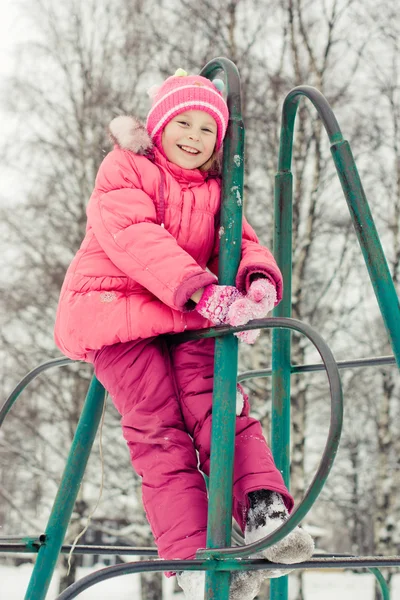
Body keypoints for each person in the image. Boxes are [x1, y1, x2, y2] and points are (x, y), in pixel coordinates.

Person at [54, 69, 313, 599]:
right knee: (159, 432)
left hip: (187, 316)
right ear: (159, 125)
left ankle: (264, 511)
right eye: (183, 123)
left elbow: (239, 241)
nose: (193, 138)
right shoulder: (125, 169)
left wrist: (255, 280)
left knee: (222, 408)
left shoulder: (218, 192)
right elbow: (134, 237)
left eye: (206, 130)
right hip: (119, 317)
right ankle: (194, 558)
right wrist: (201, 289)